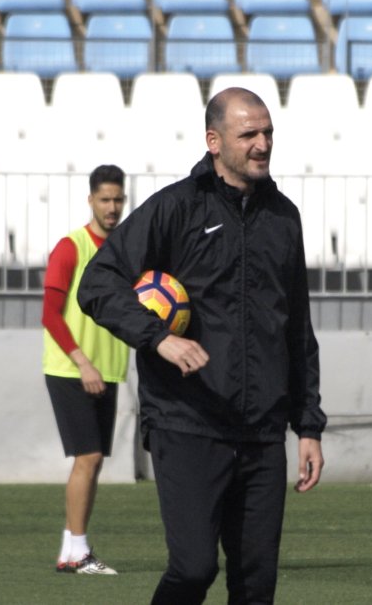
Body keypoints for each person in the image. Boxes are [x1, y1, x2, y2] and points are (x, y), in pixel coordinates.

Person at [77, 87, 327, 604]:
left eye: (268, 132)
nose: (263, 144)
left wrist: (308, 424)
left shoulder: (284, 218)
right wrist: (158, 338)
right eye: (249, 134)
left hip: (262, 431)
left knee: (256, 585)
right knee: (192, 570)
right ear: (214, 141)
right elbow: (97, 284)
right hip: (187, 422)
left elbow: (296, 326)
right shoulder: (175, 208)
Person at [43, 164, 129, 576]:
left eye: (118, 200)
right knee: (88, 456)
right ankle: (76, 551)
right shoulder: (71, 246)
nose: (112, 208)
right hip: (71, 369)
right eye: (105, 200)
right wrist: (81, 362)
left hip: (107, 371)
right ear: (91, 200)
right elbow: (50, 314)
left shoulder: (125, 251)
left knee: (92, 461)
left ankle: (72, 548)